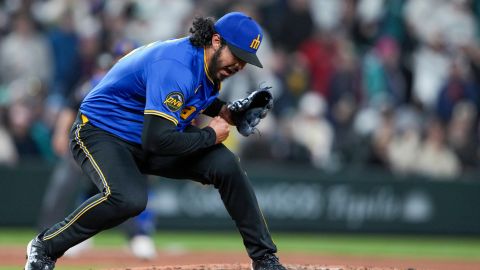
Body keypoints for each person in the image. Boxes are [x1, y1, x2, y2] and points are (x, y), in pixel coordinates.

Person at [25, 12, 286, 270]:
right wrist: (209, 135)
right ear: (216, 41)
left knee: (226, 165)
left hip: (144, 133)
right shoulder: (178, 66)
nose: (240, 65)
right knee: (128, 199)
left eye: (245, 60)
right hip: (101, 132)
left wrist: (225, 111)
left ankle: (264, 258)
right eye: (238, 55)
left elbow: (186, 104)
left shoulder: (207, 64)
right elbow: (157, 140)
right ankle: (45, 247)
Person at [38, 39, 157, 260]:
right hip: (85, 140)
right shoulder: (100, 79)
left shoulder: (148, 82)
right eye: (121, 55)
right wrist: (59, 133)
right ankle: (47, 237)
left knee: (121, 192)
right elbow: (70, 106)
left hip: (119, 147)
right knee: (62, 188)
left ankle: (137, 236)